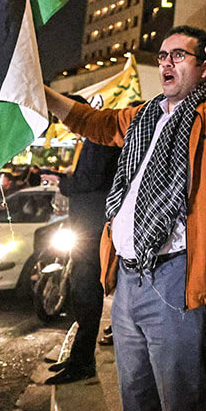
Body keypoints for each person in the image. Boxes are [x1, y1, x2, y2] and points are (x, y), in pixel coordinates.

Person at [42, 3, 206, 411]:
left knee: (183, 403)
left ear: (203, 68)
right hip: (129, 278)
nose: (166, 62)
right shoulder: (142, 116)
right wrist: (44, 92)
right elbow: (93, 122)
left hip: (177, 278)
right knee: (136, 397)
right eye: (163, 55)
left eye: (178, 56)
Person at [45, 96, 121, 385]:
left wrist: (59, 182)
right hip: (88, 225)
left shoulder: (98, 136)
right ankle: (79, 358)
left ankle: (82, 362)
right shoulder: (93, 137)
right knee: (83, 296)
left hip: (92, 228)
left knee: (86, 295)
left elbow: (89, 183)